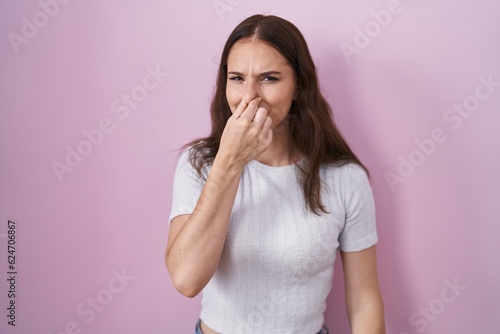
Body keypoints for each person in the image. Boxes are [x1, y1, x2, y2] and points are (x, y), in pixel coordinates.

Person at [165, 14, 385, 334]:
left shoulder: (345, 178)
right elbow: (186, 280)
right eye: (237, 78)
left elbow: (364, 299)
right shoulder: (198, 164)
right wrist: (229, 163)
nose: (249, 96)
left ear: (298, 87)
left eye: (269, 78)